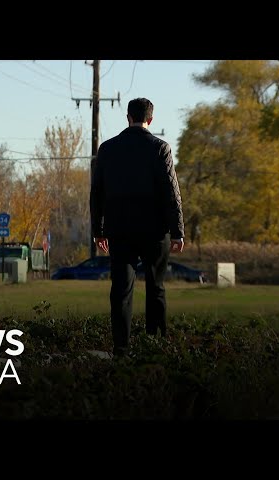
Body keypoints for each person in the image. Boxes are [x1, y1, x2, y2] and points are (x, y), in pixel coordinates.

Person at [90, 97, 184, 357]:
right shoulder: (160, 148)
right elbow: (171, 193)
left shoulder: (107, 149)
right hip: (155, 230)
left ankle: (121, 347)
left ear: (128, 117)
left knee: (121, 289)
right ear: (150, 120)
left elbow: (96, 193)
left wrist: (98, 231)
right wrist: (177, 231)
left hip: (119, 229)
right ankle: (154, 345)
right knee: (156, 287)